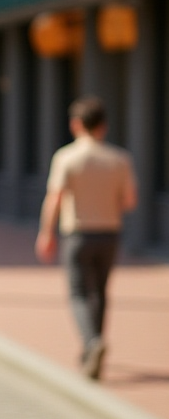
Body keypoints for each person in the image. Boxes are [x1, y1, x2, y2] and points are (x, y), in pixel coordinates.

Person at [36, 94, 138, 380]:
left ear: (76, 125)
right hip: (110, 233)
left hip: (78, 233)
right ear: (103, 126)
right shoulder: (120, 159)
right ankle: (94, 347)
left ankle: (91, 342)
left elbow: (54, 198)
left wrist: (46, 233)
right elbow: (130, 200)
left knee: (79, 293)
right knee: (101, 292)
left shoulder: (66, 157)